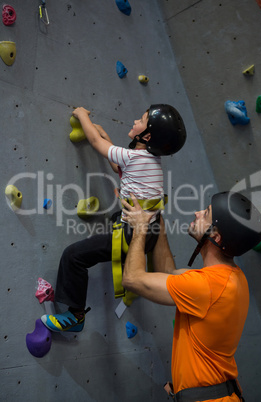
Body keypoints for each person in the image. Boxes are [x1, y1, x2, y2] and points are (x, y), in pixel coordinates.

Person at [41, 104, 186, 332]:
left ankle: (76, 316)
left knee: (73, 256)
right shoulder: (151, 162)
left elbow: (97, 145)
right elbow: (120, 166)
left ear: (147, 135)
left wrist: (82, 115)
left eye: (140, 119)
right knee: (109, 226)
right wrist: (106, 135)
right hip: (150, 231)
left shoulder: (134, 157)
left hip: (131, 233)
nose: (134, 121)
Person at [121, 191, 261, 401]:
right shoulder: (231, 277)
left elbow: (132, 278)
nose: (197, 213)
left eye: (205, 213)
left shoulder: (205, 286)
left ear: (215, 236)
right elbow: (170, 273)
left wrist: (140, 228)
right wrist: (157, 221)